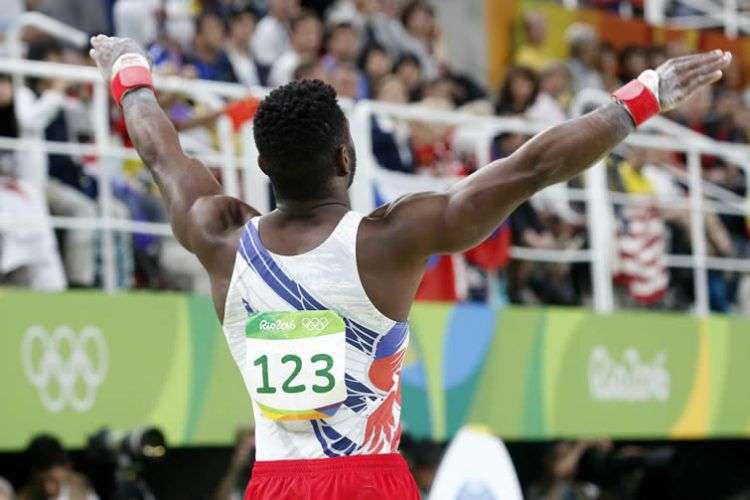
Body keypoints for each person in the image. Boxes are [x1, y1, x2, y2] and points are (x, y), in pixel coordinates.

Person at [89, 32, 731, 499]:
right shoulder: (388, 239)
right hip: (371, 479)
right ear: (346, 157)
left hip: (275, 483)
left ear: (262, 168)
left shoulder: (218, 236)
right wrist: (643, 97)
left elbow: (161, 151)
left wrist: (130, 70)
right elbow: (532, 167)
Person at [18, 435, 99, 500]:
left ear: (67, 469)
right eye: (41, 482)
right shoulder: (24, 496)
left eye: (54, 481)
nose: (48, 489)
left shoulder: (84, 486)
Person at [267, 10, 323, 88]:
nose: (312, 37)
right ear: (293, 34)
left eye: (316, 32)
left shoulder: (319, 62)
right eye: (307, 31)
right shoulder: (285, 65)